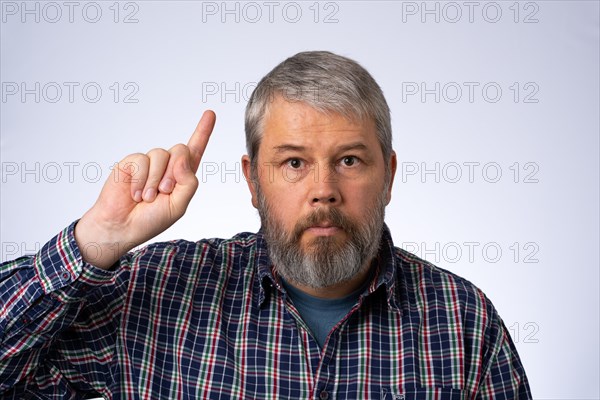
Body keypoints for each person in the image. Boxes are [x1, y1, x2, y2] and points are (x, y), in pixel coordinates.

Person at [0, 51, 531, 399]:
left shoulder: (464, 327)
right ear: (253, 181)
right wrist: (95, 243)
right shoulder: (158, 292)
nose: (324, 189)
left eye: (349, 160)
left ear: (388, 175)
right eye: (294, 163)